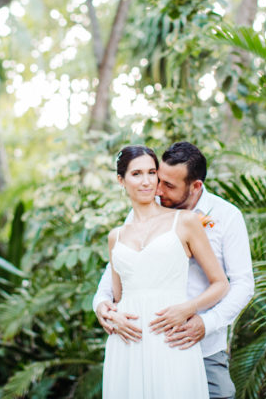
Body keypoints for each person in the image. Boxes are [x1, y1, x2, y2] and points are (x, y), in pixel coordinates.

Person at [94, 142, 254, 399]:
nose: (156, 188)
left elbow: (242, 284)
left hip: (203, 344)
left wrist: (204, 322)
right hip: (143, 345)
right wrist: (101, 305)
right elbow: (119, 274)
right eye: (159, 177)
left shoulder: (226, 217)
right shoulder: (140, 214)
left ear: (195, 187)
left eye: (168, 185)